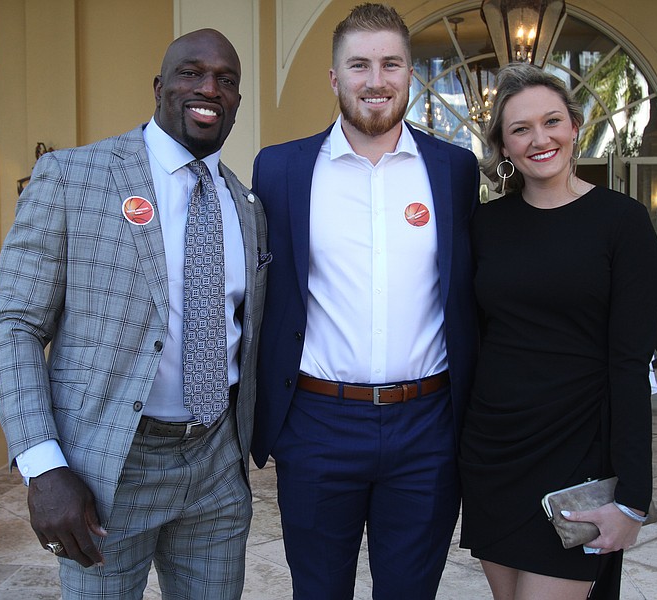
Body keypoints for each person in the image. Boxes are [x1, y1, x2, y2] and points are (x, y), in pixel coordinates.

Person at [0, 29, 267, 600]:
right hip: (107, 471)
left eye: (226, 80)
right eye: (191, 72)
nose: (208, 87)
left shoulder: (246, 205)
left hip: (216, 466)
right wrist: (43, 467)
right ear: (160, 87)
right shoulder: (72, 178)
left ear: (236, 100)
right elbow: (13, 325)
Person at [250, 4, 479, 599]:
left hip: (427, 426)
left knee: (410, 592)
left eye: (390, 64)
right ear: (334, 78)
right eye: (359, 65)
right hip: (318, 422)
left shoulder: (454, 170)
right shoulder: (280, 170)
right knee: (318, 590)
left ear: (409, 74)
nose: (375, 80)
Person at [458, 62, 657, 600]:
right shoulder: (485, 226)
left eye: (551, 121)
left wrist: (633, 499)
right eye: (520, 129)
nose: (539, 139)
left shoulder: (624, 222)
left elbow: (630, 364)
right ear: (503, 146)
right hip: (494, 454)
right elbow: (476, 339)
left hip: (578, 452)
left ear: (574, 126)